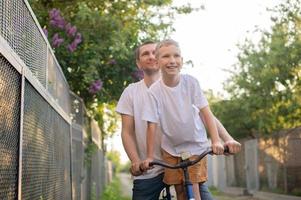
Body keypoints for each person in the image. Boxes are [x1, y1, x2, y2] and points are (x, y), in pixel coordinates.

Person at [116, 40, 241, 200]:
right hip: (152, 167)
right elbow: (127, 132)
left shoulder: (186, 85)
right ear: (138, 64)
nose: (151, 56)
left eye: (154, 52)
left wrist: (226, 140)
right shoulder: (132, 92)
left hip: (185, 158)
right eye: (145, 54)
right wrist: (136, 161)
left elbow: (205, 114)